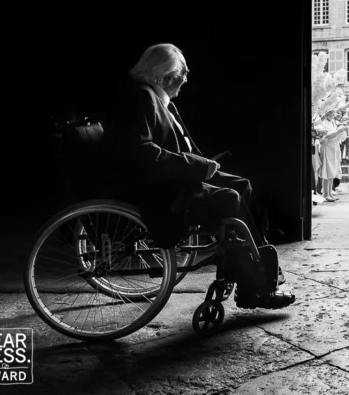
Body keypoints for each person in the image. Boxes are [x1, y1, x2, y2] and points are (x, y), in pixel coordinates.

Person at [103, 43, 294, 309]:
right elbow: (142, 152)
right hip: (160, 189)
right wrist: (195, 165)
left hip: (174, 178)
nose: (184, 82)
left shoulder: (155, 98)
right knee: (231, 197)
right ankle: (254, 285)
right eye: (182, 76)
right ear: (167, 76)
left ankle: (255, 268)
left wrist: (200, 165)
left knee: (243, 185)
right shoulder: (143, 98)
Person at [317, 109, 347, 202]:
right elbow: (326, 136)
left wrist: (341, 132)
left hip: (334, 147)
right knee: (328, 170)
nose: (333, 115)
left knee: (333, 170)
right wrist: (339, 131)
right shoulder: (322, 123)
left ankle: (330, 192)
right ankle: (325, 194)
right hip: (327, 148)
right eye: (331, 113)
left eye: (333, 113)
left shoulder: (333, 123)